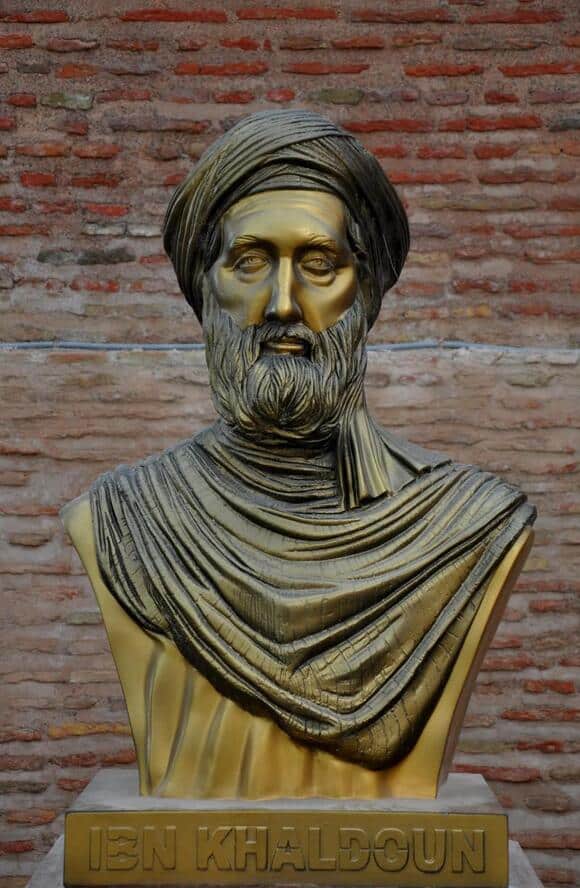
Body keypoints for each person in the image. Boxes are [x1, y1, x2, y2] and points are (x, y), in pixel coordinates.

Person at [62, 110, 535, 797]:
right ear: (205, 287)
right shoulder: (122, 521)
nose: (282, 304)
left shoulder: (472, 525)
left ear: (364, 292)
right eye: (250, 263)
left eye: (318, 265)